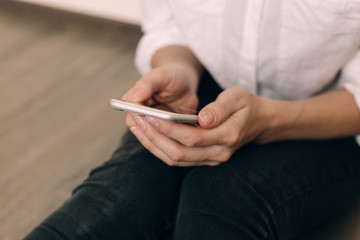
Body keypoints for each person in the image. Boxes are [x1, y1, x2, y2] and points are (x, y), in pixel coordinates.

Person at [25, 1, 360, 239]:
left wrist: (269, 121)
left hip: (334, 118)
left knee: (226, 202)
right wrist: (178, 68)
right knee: (116, 196)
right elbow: (169, 22)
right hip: (209, 85)